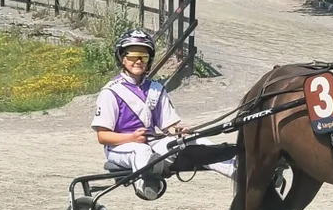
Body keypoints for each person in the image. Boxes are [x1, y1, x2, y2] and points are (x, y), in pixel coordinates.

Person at [93, 29, 237, 178]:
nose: (138, 60)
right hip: (120, 147)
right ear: (122, 59)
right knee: (142, 151)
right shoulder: (111, 91)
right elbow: (102, 136)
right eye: (132, 55)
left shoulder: (156, 88)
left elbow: (168, 126)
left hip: (152, 143)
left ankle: (239, 173)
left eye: (144, 56)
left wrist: (178, 130)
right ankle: (147, 186)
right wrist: (131, 138)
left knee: (196, 142)